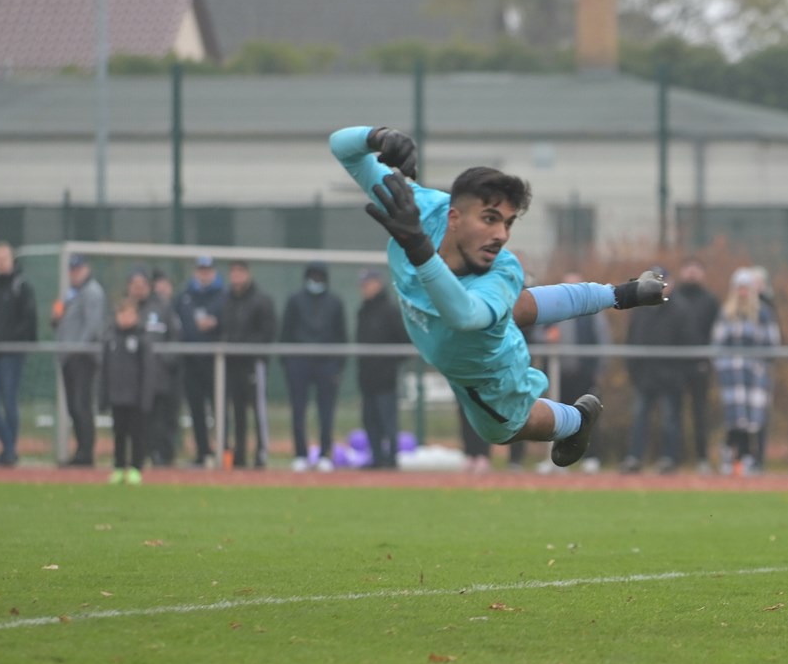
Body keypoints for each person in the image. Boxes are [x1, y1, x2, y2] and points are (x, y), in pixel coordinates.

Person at [330, 125, 667, 466]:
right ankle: (621, 294)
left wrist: (419, 250)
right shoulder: (423, 209)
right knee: (518, 305)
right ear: (454, 217)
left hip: (486, 372)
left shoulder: (502, 269)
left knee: (501, 429)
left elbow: (465, 317)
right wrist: (377, 136)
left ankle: (577, 420)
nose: (500, 235)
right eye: (490, 219)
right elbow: (341, 147)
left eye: (507, 223)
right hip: (453, 331)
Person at [279, 262, 347, 473]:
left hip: (327, 363)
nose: (315, 280)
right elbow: (286, 333)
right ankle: (300, 454)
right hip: (299, 362)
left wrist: (337, 366)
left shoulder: (335, 302)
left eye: (319, 276)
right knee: (298, 410)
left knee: (326, 412)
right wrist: (288, 363)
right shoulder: (295, 300)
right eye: (312, 276)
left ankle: (325, 454)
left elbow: (341, 335)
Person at [712, 268, 781, 476]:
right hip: (731, 374)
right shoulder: (726, 312)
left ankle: (752, 458)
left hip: (755, 374)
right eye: (739, 288)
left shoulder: (763, 313)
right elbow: (717, 343)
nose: (742, 292)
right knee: (735, 418)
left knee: (754, 419)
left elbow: (772, 343)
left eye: (746, 288)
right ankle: (733, 458)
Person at [0, 243, 36, 466]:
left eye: (4, 258)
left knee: (9, 401)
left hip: (11, 354)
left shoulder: (21, 286)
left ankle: (9, 451)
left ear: (12, 260)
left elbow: (28, 320)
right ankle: (9, 446)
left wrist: (8, 338)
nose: (0, 262)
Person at [549, 269, 610, 473]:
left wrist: (599, 370)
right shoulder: (553, 309)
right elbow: (541, 335)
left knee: (589, 415)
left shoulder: (592, 312)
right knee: (559, 416)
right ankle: (558, 459)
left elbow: (603, 341)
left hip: (585, 373)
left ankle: (592, 458)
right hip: (560, 374)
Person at [623, 266, 683, 474]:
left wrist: (677, 374)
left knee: (670, 421)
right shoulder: (640, 310)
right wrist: (634, 372)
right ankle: (634, 458)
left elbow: (686, 344)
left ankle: (669, 459)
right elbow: (631, 340)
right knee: (639, 419)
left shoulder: (679, 309)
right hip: (644, 377)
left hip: (669, 378)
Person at [220, 260, 276, 469]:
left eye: (240, 272)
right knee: (237, 411)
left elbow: (268, 331)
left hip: (254, 363)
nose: (236, 277)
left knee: (258, 409)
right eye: (233, 272)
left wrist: (248, 347)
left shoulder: (261, 300)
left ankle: (261, 453)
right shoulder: (226, 300)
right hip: (232, 364)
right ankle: (239, 455)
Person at [53, 253, 107, 467]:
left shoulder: (92, 292)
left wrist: (77, 349)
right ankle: (80, 451)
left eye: (78, 269)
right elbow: (64, 323)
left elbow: (92, 326)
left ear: (86, 268)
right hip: (69, 357)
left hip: (83, 358)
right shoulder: (70, 294)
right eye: (72, 270)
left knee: (81, 405)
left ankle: (86, 453)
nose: (75, 273)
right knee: (73, 407)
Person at [355, 267, 409, 470]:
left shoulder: (389, 311)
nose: (364, 289)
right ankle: (376, 457)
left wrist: (389, 366)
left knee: (388, 420)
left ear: (378, 283)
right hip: (367, 378)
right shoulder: (363, 311)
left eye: (367, 284)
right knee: (370, 421)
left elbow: (403, 342)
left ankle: (391, 459)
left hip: (385, 379)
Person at [672, 258, 722, 473]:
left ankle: (702, 459)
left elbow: (716, 332)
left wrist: (707, 359)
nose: (691, 273)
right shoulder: (673, 299)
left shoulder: (710, 300)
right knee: (673, 414)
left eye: (696, 269)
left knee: (700, 414)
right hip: (674, 366)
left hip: (700, 366)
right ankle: (672, 459)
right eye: (688, 269)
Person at [100, 297, 157, 485]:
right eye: (121, 314)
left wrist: (146, 397)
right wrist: (103, 396)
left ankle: (135, 467)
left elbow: (148, 370)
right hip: (117, 397)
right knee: (119, 433)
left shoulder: (142, 339)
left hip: (136, 397)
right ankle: (118, 467)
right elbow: (105, 370)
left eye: (129, 314)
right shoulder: (110, 339)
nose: (125, 318)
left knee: (137, 434)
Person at [175, 256, 226, 467]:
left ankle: (224, 451)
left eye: (208, 270)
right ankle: (202, 452)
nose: (204, 274)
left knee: (219, 408)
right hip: (191, 362)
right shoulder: (185, 296)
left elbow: (230, 323)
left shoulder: (224, 296)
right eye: (201, 270)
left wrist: (216, 325)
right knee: (196, 409)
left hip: (216, 363)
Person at [142, 271, 184, 466]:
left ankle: (164, 454)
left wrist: (167, 360)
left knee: (166, 417)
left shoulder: (173, 307)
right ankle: (146, 451)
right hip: (144, 374)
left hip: (168, 374)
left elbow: (176, 338)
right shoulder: (141, 307)